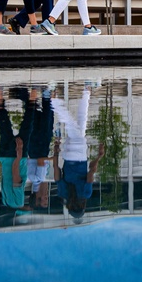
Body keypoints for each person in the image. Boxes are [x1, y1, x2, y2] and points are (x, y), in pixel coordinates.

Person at [52, 84, 105, 223]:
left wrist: (99, 157)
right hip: (68, 156)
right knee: (81, 124)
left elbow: (91, 172)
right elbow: (56, 172)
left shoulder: (85, 194)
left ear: (83, 207)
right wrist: (56, 151)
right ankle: (87, 91)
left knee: (71, 124)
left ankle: (54, 101)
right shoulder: (63, 193)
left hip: (80, 156)